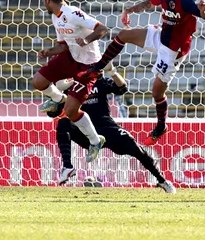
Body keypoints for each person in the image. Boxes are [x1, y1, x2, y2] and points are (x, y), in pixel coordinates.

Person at [78, 0, 205, 146]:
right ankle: (97, 68)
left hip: (173, 51)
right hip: (161, 35)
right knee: (123, 35)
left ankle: (161, 125)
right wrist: (128, 10)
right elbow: (149, 2)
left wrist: (204, 12)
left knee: (156, 92)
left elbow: (202, 14)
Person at [47, 63, 176, 193]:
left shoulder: (97, 82)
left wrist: (112, 72)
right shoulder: (69, 88)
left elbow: (122, 88)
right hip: (86, 132)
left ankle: (162, 181)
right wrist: (53, 107)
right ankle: (68, 168)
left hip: (107, 127)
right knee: (63, 123)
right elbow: (53, 112)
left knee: (137, 150)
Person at [32, 0, 108, 163]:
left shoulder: (73, 13)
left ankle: (95, 141)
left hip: (88, 66)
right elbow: (63, 45)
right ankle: (58, 98)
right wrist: (48, 52)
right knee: (38, 81)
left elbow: (102, 29)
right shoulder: (55, 17)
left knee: (71, 111)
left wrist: (87, 39)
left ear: (47, 0)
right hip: (70, 56)